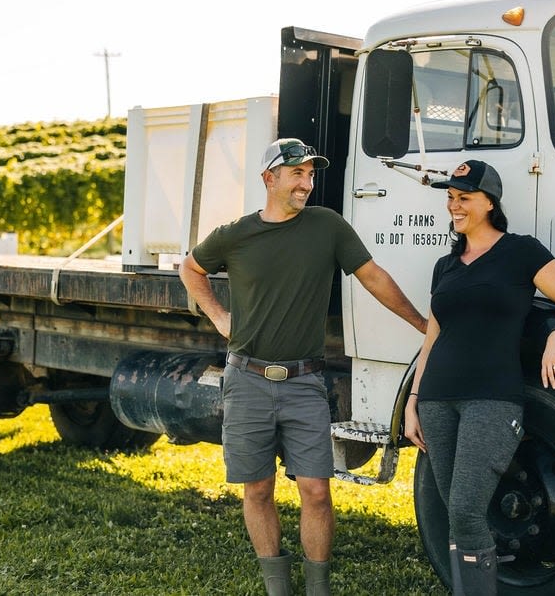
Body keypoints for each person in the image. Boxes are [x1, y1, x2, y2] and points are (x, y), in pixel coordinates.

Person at [179, 138, 426, 596]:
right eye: (297, 174)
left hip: (304, 382)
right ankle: (278, 589)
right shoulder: (236, 234)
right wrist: (218, 316)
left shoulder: (327, 226)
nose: (307, 184)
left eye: (311, 175)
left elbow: (373, 277)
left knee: (315, 490)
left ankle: (318, 589)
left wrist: (422, 324)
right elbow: (190, 268)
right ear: (269, 178)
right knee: (257, 490)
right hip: (247, 381)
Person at [403, 160, 555, 595]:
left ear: (489, 202)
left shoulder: (521, 252)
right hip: (437, 400)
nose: (454, 206)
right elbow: (433, 337)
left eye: (464, 198)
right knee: (455, 512)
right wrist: (414, 398)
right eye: (450, 198)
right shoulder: (446, 266)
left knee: (468, 509)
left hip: (492, 400)